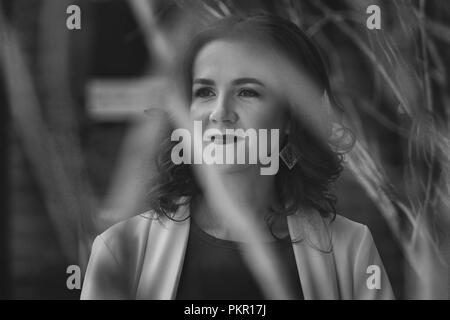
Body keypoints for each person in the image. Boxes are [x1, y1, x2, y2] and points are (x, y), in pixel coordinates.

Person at [80, 13, 394, 300]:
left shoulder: (351, 249)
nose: (220, 113)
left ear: (291, 117)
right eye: (204, 92)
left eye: (247, 92)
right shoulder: (121, 249)